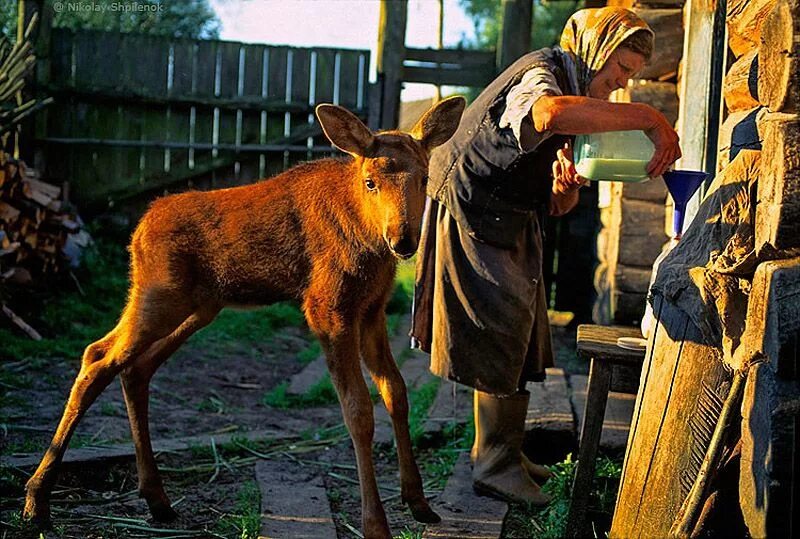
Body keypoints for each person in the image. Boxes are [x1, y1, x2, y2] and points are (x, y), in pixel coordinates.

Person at [411, 7, 681, 505]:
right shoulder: (543, 74)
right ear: (595, 50)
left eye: (630, 77)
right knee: (499, 320)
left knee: (519, 325)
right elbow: (547, 115)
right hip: (473, 204)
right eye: (618, 69)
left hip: (511, 212)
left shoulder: (578, 94)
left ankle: (504, 453)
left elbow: (558, 202)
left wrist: (566, 188)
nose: (620, 84)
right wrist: (650, 116)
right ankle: (493, 464)